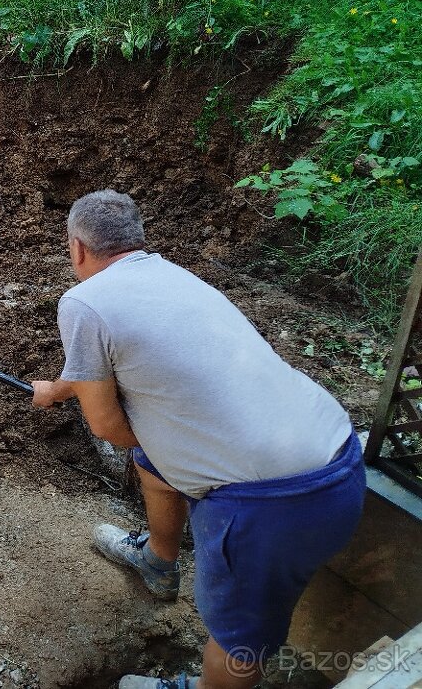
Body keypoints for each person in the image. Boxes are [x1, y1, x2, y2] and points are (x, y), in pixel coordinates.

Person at [30, 189, 364, 689]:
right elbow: (127, 373)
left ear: (77, 248)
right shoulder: (170, 275)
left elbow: (105, 427)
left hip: (273, 506)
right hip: (340, 458)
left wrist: (91, 405)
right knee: (152, 460)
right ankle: (159, 562)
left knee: (239, 640)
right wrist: (58, 389)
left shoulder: (84, 302)